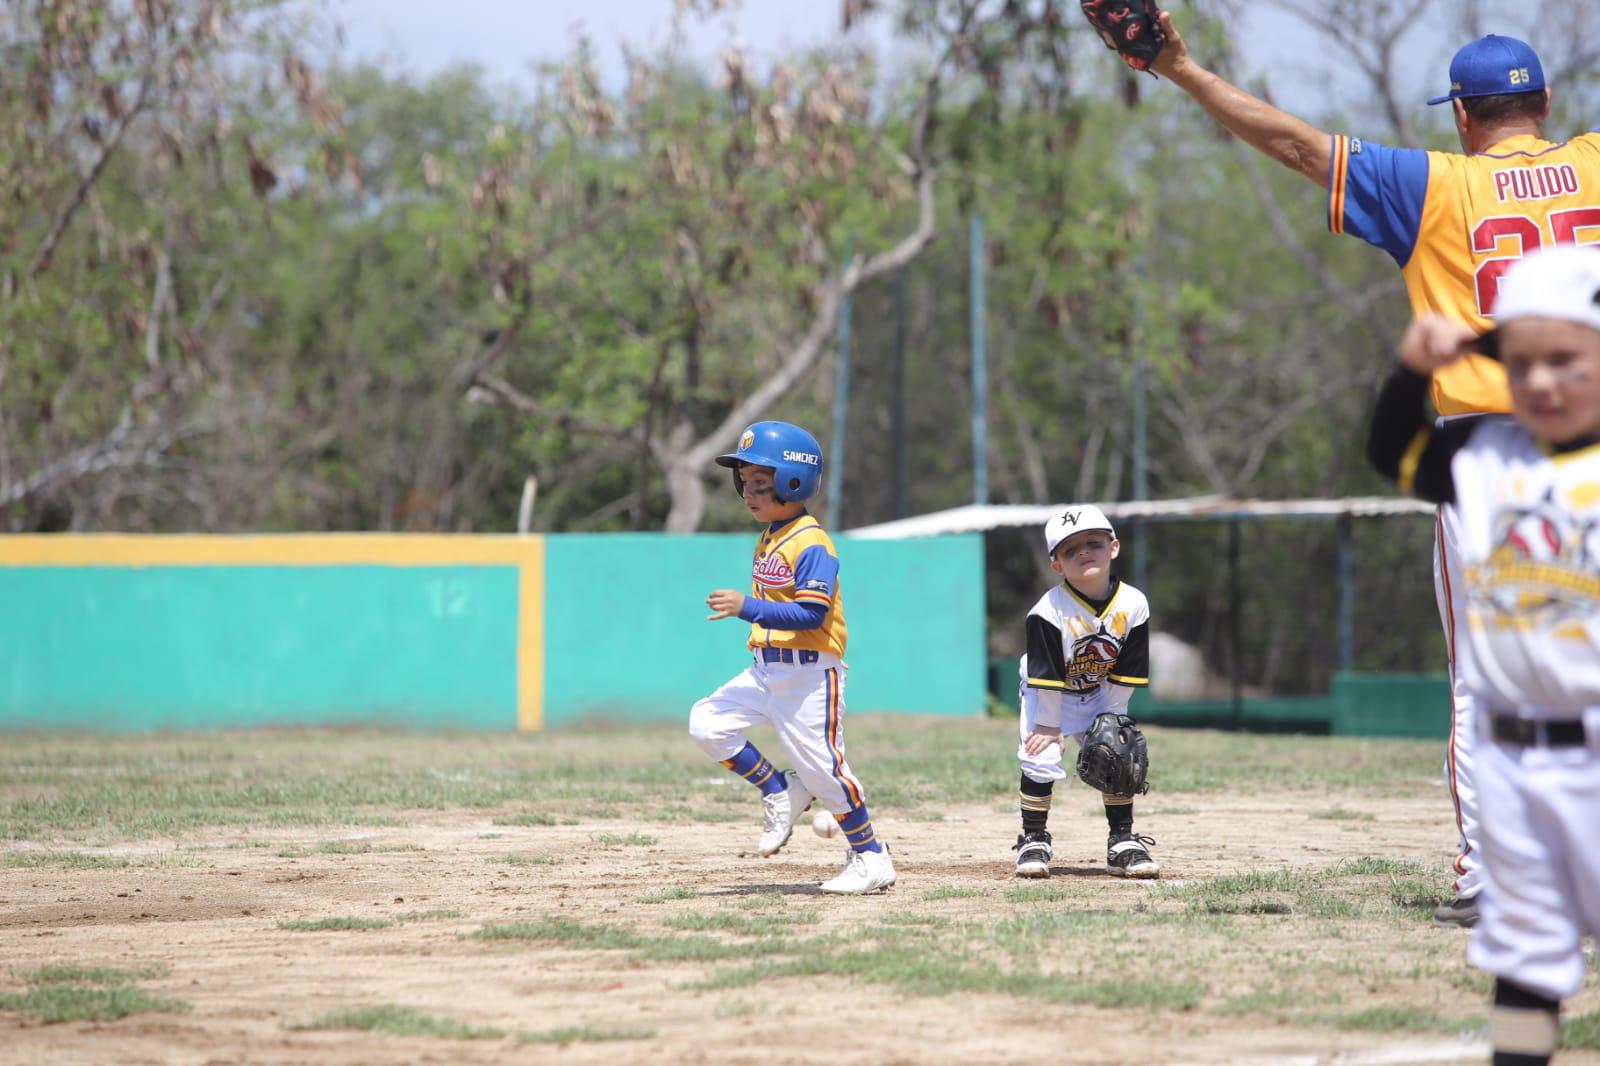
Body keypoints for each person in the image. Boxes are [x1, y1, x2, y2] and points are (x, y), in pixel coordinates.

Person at [1150, 11, 1600, 926]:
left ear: (1463, 118)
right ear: (1546, 102)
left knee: (1484, 678)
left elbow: (1298, 145)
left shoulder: (1434, 183)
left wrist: (1179, 68)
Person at [1366, 244, 1600, 1066]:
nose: (1539, 381)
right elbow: (1389, 451)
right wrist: (1412, 369)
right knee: (1527, 974)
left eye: (1566, 360)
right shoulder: (1485, 459)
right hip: (1519, 769)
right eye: (1521, 362)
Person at [686, 420, 896, 895]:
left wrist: (748, 608)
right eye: (745, 482)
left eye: (762, 483)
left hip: (809, 677)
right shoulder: (772, 535)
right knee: (706, 723)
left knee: (826, 769)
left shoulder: (811, 541)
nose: (749, 492)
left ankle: (871, 857)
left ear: (794, 482)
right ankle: (779, 789)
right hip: (766, 670)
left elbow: (811, 612)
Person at [1012, 505, 1157, 880]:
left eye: (1093, 542)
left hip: (1100, 691)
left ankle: (1122, 841)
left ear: (1114, 547)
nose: (1083, 551)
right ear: (1056, 564)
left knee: (1117, 752)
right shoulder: (1047, 611)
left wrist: (1111, 719)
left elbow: (1126, 672)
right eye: (1069, 549)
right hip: (1048, 694)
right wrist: (1049, 725)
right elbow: (1046, 677)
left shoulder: (1133, 603)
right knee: (1039, 757)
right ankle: (1033, 838)